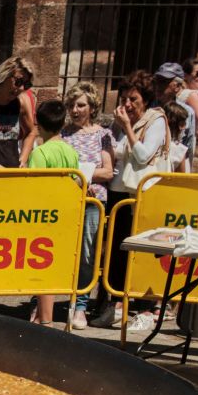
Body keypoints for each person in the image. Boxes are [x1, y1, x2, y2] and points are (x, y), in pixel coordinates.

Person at [101, 70, 171, 331]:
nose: (127, 104)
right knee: (117, 249)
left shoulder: (156, 121)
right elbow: (114, 149)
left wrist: (128, 128)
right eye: (124, 99)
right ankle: (118, 303)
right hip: (119, 192)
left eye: (133, 99)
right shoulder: (118, 122)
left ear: (145, 100)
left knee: (141, 251)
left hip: (141, 194)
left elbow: (142, 155)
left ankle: (143, 307)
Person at [59, 81, 115, 329]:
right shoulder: (63, 134)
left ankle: (80, 304)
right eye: (71, 105)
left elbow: (108, 171)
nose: (75, 109)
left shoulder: (103, 135)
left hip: (94, 201)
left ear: (92, 107)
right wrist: (83, 175)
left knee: (87, 252)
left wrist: (82, 174)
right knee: (61, 250)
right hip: (68, 198)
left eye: (80, 105)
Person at [23, 98, 80, 326]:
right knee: (52, 265)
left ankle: (45, 320)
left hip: (45, 217)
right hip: (65, 215)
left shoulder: (40, 153)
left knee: (43, 268)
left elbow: (35, 188)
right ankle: (42, 316)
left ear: (38, 124)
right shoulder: (70, 151)